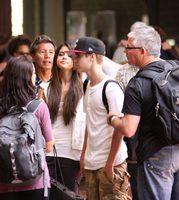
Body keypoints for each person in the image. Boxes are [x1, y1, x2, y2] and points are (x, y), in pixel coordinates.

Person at [108, 25, 179, 200]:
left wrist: (112, 118)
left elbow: (128, 129)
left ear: (142, 51)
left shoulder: (137, 83)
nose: (124, 51)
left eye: (128, 47)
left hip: (157, 154)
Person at [70, 36, 131, 200]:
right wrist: (84, 156)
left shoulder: (110, 87)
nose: (74, 59)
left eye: (78, 55)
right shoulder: (86, 85)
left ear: (92, 57)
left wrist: (110, 163)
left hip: (111, 163)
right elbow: (89, 124)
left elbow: (120, 129)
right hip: (91, 163)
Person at [0, 56, 54, 200]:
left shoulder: (1, 109)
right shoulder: (38, 106)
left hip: (4, 182)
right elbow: (49, 146)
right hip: (35, 182)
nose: (35, 76)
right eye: (33, 73)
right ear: (27, 78)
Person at [45, 42, 86, 192]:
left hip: (72, 151)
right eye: (61, 54)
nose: (64, 57)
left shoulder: (84, 87)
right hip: (49, 150)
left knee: (68, 194)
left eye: (69, 55)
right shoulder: (46, 87)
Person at [30, 34, 56, 101]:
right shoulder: (29, 83)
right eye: (42, 52)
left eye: (51, 52)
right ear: (33, 57)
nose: (47, 56)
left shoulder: (61, 81)